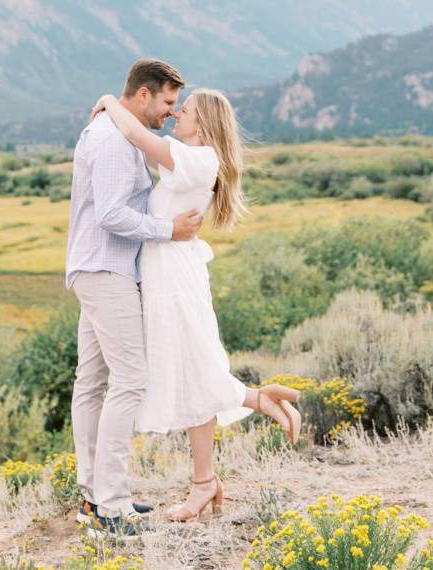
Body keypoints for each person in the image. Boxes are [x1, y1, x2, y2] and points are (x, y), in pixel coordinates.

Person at [92, 85, 302, 524]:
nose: (174, 116)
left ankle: (259, 403)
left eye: (182, 111)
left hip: (175, 279)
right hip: (167, 275)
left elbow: (136, 136)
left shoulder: (199, 158)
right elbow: (142, 147)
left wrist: (112, 102)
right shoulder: (191, 160)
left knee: (195, 367)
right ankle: (207, 477)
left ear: (203, 122)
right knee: (189, 371)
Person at [65, 59, 202, 538]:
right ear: (143, 95)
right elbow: (109, 214)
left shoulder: (113, 132)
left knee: (94, 381)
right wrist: (170, 230)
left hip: (99, 267)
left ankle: (93, 498)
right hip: (106, 269)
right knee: (130, 380)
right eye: (167, 102)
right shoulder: (109, 140)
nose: (170, 112)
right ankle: (112, 505)